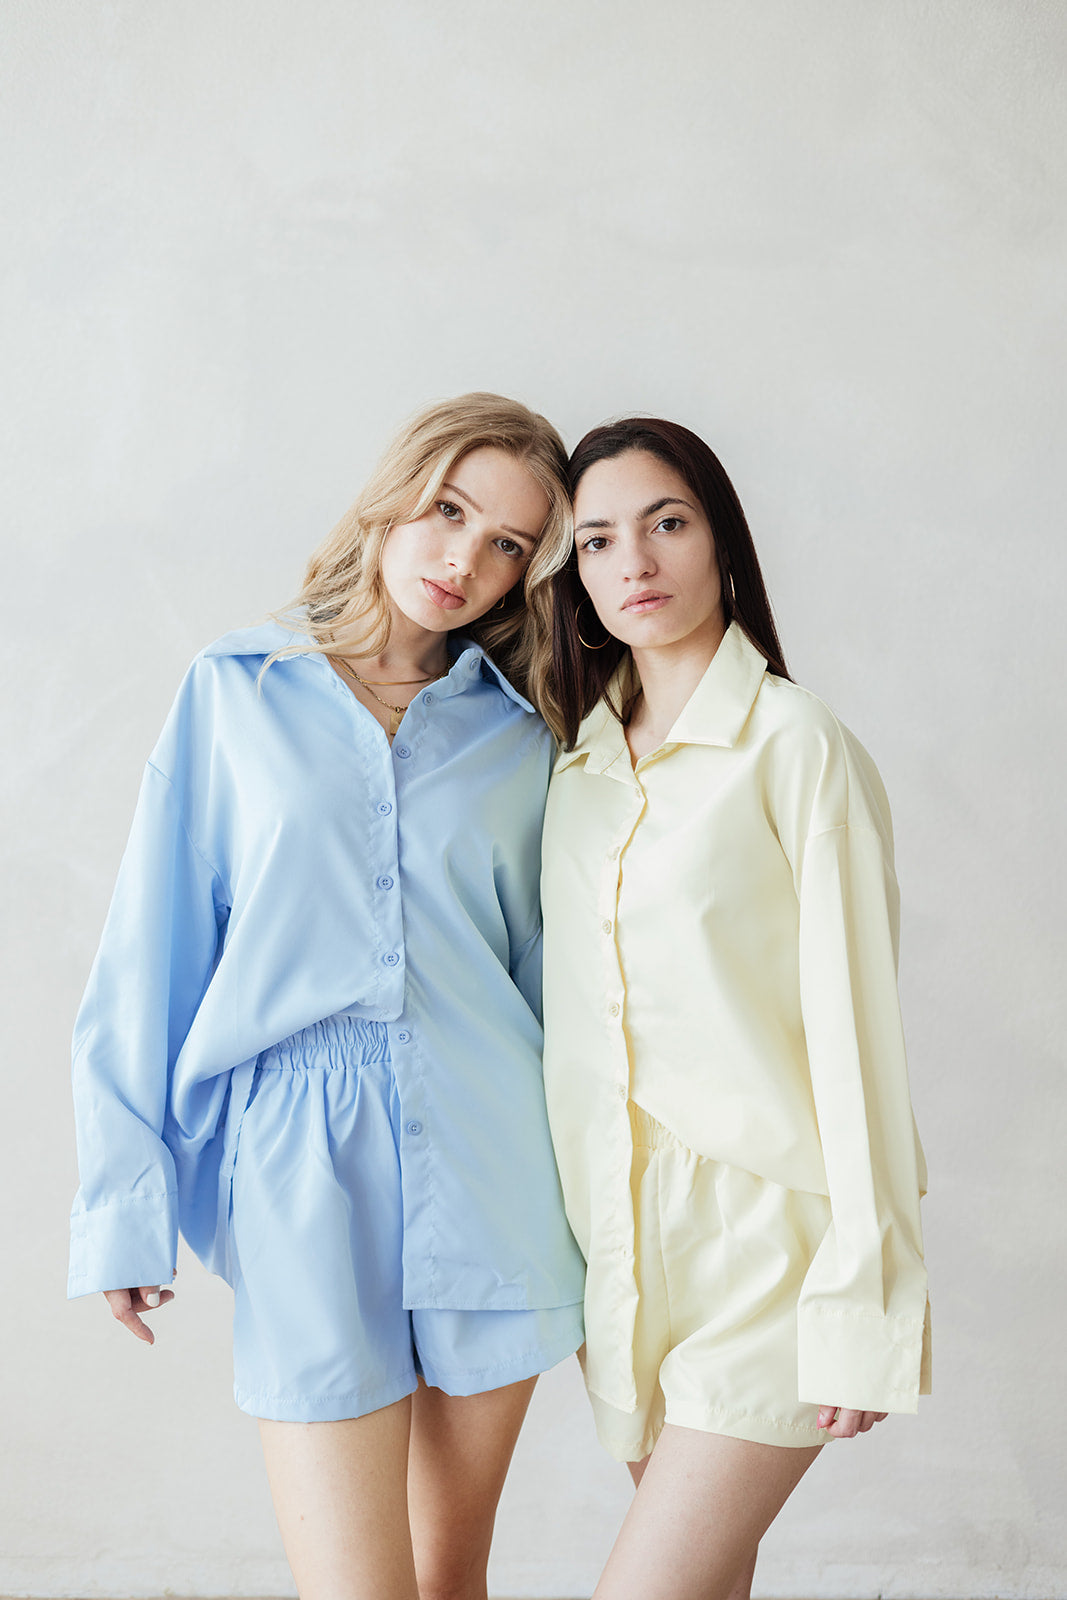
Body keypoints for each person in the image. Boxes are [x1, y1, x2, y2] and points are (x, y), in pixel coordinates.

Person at [67, 393, 586, 1600]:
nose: (463, 559)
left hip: (492, 1152)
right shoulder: (237, 689)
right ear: (392, 495)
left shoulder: (525, 733)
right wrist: (124, 1203)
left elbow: (552, 980)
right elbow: (149, 956)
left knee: (450, 1582)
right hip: (298, 1163)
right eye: (448, 509)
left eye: (506, 543)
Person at [535, 418, 931, 1600]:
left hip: (771, 1256)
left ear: (720, 541)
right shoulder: (576, 768)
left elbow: (859, 1043)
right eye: (596, 540)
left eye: (665, 523)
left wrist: (864, 1297)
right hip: (625, 1258)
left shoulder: (794, 746)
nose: (633, 561)